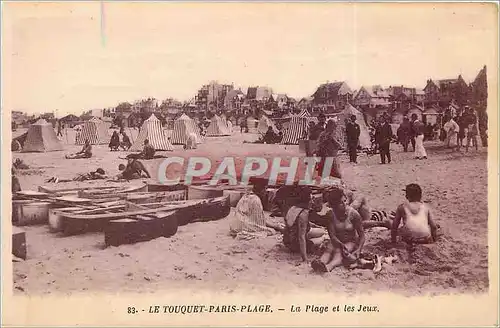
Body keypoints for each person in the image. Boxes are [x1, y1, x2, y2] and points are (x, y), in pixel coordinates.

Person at [311, 186, 365, 272]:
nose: (344, 204)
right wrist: (340, 244)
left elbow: (362, 235)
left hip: (351, 241)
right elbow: (332, 235)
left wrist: (359, 249)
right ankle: (320, 263)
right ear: (333, 206)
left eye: (344, 201)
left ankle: (329, 267)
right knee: (328, 250)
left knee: (339, 252)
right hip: (336, 240)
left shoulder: (354, 214)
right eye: (340, 203)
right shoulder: (330, 215)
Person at [283, 186, 328, 263]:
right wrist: (305, 258)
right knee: (324, 238)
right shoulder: (303, 213)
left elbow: (296, 224)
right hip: (294, 244)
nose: (312, 200)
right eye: (311, 197)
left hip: (288, 239)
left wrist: (316, 226)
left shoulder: (293, 208)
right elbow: (301, 237)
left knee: (322, 231)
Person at [391, 184, 438, 257]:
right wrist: (434, 241)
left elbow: (394, 226)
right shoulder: (426, 207)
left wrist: (393, 242)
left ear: (407, 196)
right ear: (421, 196)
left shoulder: (401, 207)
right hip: (425, 239)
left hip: (409, 240)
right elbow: (434, 227)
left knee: (402, 231)